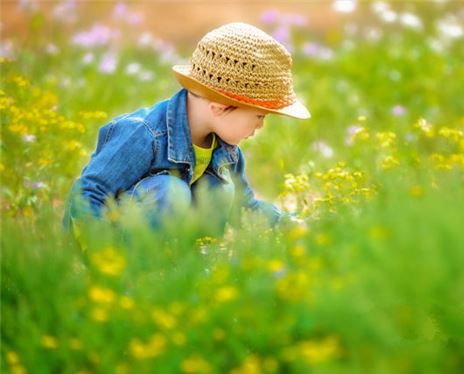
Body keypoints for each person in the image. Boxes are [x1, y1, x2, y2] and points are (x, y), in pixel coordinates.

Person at [63, 22, 310, 239]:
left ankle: (183, 264)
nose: (260, 125)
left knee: (221, 192)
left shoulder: (226, 152)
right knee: (171, 193)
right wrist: (101, 256)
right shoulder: (145, 134)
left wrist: (291, 224)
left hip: (166, 244)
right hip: (111, 243)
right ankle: (138, 269)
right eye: (259, 115)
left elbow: (244, 209)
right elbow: (88, 194)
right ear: (220, 106)